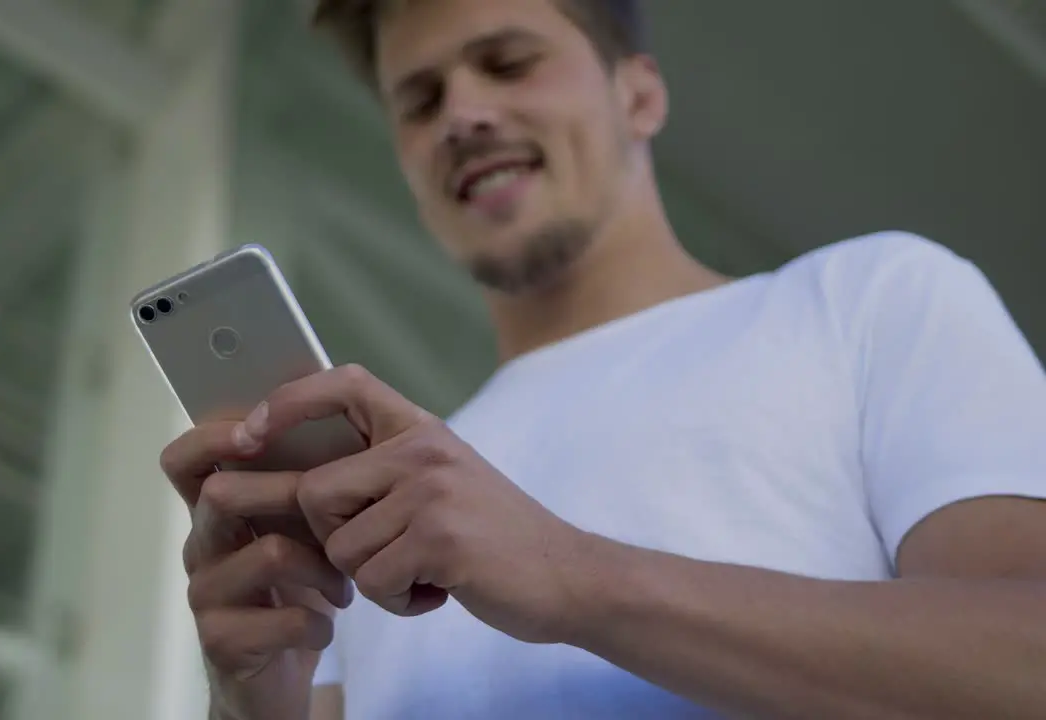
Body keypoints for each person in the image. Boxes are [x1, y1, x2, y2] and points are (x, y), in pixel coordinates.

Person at [159, 0, 1046, 717]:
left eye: (508, 62)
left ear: (640, 96)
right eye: (420, 101)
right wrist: (252, 702)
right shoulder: (390, 503)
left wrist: (577, 576)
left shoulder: (871, 297)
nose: (462, 114)